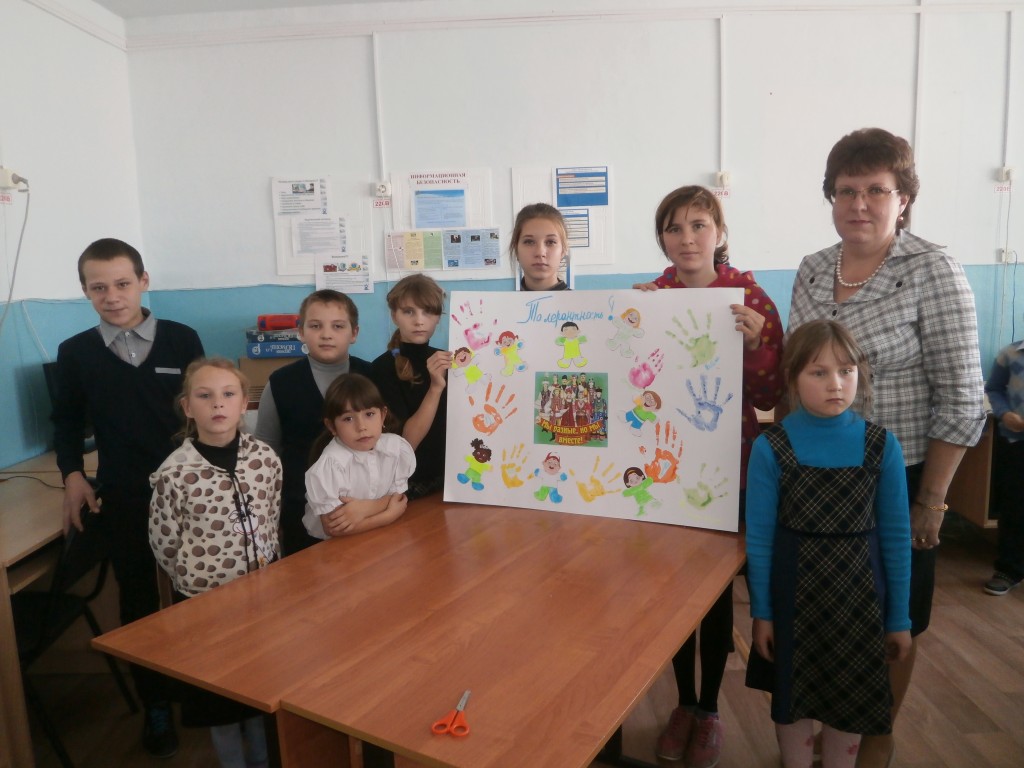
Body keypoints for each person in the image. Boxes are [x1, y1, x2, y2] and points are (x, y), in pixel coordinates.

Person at [787, 127, 986, 768]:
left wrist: (933, 500)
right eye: (847, 190)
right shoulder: (812, 269)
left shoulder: (932, 270)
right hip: (817, 475)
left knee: (893, 616)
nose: (860, 204)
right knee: (826, 611)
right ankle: (832, 732)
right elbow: (796, 369)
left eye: (877, 190)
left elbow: (963, 398)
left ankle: (878, 737)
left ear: (904, 199)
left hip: (897, 481)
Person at [635, 185, 784, 767]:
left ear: (719, 233)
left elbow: (770, 395)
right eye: (674, 228)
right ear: (662, 238)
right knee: (674, 593)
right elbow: (633, 386)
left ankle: (710, 708)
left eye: (699, 225)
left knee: (717, 593)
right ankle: (681, 703)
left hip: (728, 465)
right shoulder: (653, 297)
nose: (687, 238)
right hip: (665, 464)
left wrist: (758, 343)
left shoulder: (751, 298)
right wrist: (631, 324)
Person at [51, 237, 204, 758]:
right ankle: (155, 703)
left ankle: (203, 691)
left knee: (195, 594)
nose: (112, 296)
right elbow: (66, 422)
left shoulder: (181, 339)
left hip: (190, 493)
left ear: (143, 281)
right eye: (99, 287)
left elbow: (205, 407)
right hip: (123, 494)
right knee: (137, 601)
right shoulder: (75, 353)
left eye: (122, 283)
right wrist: (73, 475)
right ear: (85, 291)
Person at [746, 320, 911, 768]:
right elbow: (759, 541)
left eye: (846, 370)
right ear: (793, 378)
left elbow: (897, 539)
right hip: (793, 601)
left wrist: (899, 617)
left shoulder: (882, 446)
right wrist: (762, 613)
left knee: (849, 702)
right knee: (792, 700)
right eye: (818, 372)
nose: (836, 384)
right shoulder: (771, 447)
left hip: (860, 604)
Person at [149, 358, 281, 768]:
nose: (217, 404)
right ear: (188, 407)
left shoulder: (265, 459)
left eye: (228, 394)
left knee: (260, 694)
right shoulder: (175, 473)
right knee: (218, 702)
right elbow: (164, 542)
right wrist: (196, 579)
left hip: (262, 601)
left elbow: (272, 515)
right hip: (204, 608)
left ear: (244, 404)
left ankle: (262, 760)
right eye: (205, 396)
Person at [254, 289, 372, 555]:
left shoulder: (372, 376)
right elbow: (265, 455)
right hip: (300, 509)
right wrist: (270, 514)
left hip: (364, 505)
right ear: (301, 332)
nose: (326, 334)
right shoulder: (280, 383)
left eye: (338, 326)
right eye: (316, 326)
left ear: (354, 333)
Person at [303, 373, 414, 539]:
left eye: (369, 414)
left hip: (379, 536)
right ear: (331, 426)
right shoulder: (331, 464)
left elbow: (397, 498)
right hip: (337, 545)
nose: (361, 427)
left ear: (383, 415)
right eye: (348, 418)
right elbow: (334, 528)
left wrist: (365, 508)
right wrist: (387, 516)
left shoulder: (395, 448)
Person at [369, 274, 451, 498]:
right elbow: (405, 445)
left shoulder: (448, 361)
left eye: (428, 312)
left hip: (454, 481)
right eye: (408, 312)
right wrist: (435, 388)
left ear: (438, 317)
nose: (419, 321)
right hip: (408, 487)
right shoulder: (381, 369)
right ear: (394, 316)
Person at [983, 336, 1024, 595]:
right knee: (1014, 507)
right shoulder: (1011, 353)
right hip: (1016, 443)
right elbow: (994, 389)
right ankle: (1009, 568)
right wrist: (1005, 414)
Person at [510, 202, 570, 291]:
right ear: (516, 250)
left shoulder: (583, 300)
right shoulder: (501, 300)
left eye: (550, 242)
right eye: (529, 242)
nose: (540, 253)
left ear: (563, 250)